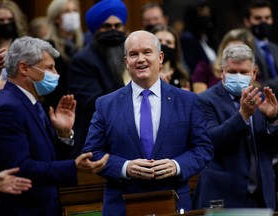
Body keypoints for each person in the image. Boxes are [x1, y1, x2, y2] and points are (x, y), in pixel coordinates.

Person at [82, 30, 213, 215]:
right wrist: (125, 167)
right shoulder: (106, 104)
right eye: (133, 54)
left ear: (160, 58)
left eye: (146, 52)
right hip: (122, 204)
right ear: (126, 61)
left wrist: (176, 165)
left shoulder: (187, 101)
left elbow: (204, 149)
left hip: (173, 202)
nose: (140, 59)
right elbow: (92, 153)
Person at [0, 36, 109, 216]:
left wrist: (63, 133)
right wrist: (73, 167)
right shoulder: (7, 108)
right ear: (24, 68)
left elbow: (47, 159)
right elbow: (20, 168)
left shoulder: (33, 103)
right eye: (49, 68)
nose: (56, 74)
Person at [193, 44, 278, 209]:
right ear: (222, 72)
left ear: (254, 73)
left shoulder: (263, 99)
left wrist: (273, 119)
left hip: (260, 198)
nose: (238, 76)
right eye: (232, 72)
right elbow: (209, 142)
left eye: (244, 72)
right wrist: (242, 116)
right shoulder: (204, 100)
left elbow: (273, 146)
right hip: (223, 197)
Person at [67, 0, 129, 158]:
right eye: (107, 26)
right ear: (95, 30)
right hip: (100, 143)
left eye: (117, 26)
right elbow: (94, 106)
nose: (113, 30)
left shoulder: (131, 55)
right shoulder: (83, 61)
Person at [43, 0, 84, 111]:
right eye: (67, 11)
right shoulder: (48, 47)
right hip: (59, 106)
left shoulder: (84, 44)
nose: (72, 15)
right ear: (56, 18)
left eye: (75, 11)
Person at [192, 28, 255, 93]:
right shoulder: (205, 68)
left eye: (240, 51)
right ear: (223, 49)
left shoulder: (254, 73)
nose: (235, 54)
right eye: (230, 50)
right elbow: (201, 99)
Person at [243, 0, 278, 97]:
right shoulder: (243, 48)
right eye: (258, 18)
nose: (264, 22)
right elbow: (254, 85)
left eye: (267, 18)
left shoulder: (274, 48)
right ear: (247, 21)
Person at [180, 0, 218, 75]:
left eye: (209, 13)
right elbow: (193, 68)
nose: (207, 17)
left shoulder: (208, 38)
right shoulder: (187, 38)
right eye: (203, 14)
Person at [150, 25, 190, 90]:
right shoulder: (143, 73)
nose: (163, 45)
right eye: (159, 41)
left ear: (175, 47)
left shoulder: (183, 76)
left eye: (168, 42)